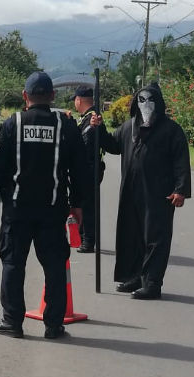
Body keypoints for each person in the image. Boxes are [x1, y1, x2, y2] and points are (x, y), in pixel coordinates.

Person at [0, 71, 88, 339]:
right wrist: (77, 204)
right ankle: (54, 325)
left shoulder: (12, 124)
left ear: (25, 96)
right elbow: (80, 169)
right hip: (53, 210)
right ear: (53, 96)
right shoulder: (66, 126)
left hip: (17, 211)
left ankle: (12, 322)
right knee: (54, 265)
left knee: (13, 264)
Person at [92, 82, 191, 300]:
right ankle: (134, 277)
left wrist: (180, 189)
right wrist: (98, 127)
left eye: (151, 100)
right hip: (130, 191)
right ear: (136, 103)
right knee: (131, 235)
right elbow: (112, 145)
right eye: (142, 100)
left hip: (158, 194)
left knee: (155, 238)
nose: (146, 104)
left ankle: (152, 283)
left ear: (159, 103)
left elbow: (181, 162)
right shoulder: (129, 127)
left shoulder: (171, 130)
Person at [69, 86, 107, 253]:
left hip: (89, 169)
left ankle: (88, 240)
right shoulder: (86, 117)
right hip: (85, 169)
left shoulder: (92, 118)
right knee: (82, 204)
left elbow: (83, 142)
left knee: (88, 207)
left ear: (78, 99)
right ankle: (84, 236)